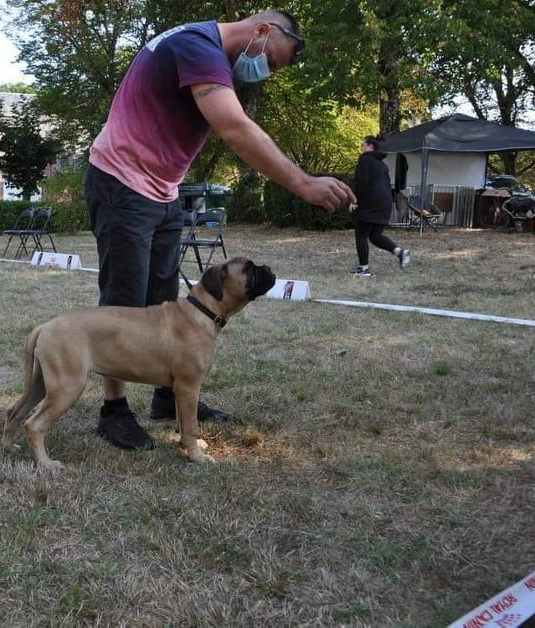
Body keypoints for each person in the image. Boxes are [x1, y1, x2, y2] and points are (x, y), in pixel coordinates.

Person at [85, 10, 356, 451]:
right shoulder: (199, 47)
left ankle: (169, 397)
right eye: (272, 59)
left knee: (162, 300)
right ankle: (113, 411)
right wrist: (303, 182)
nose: (265, 71)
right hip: (120, 181)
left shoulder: (207, 54)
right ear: (262, 31)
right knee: (123, 301)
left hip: (162, 190)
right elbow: (234, 128)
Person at [349, 135, 409, 277]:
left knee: (361, 235)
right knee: (375, 236)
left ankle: (364, 270)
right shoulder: (382, 165)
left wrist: (354, 199)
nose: (361, 147)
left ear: (370, 146)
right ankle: (400, 252)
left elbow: (362, 182)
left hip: (370, 203)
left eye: (363, 145)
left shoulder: (365, 159)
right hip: (384, 204)